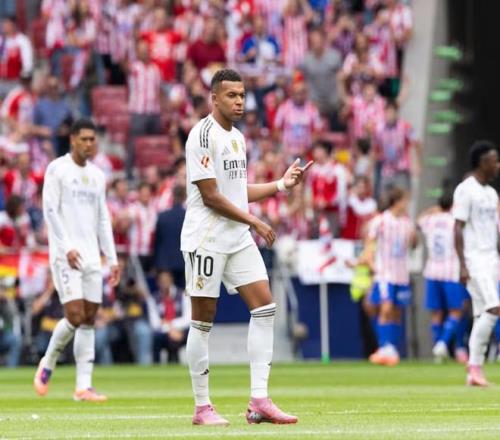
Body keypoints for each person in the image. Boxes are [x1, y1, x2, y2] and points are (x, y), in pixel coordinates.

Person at [181, 68, 312, 426]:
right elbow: (211, 196)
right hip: (206, 237)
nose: (239, 101)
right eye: (231, 95)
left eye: (241, 95)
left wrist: (281, 185)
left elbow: (237, 191)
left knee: (265, 307)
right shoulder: (202, 135)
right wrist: (254, 221)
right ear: (214, 98)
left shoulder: (237, 137)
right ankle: (202, 407)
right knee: (202, 321)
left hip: (236, 236)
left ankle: (259, 401)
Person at [33, 119, 120, 402]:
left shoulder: (97, 175)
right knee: (74, 316)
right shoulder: (57, 169)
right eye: (84, 139)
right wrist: (66, 247)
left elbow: (103, 218)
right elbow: (50, 210)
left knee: (89, 319)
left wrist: (112, 257)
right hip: (65, 255)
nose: (89, 144)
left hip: (92, 256)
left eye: (92, 139)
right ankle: (48, 361)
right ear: (72, 140)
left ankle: (83, 386)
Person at [453, 140, 500, 386]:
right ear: (483, 163)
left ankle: (474, 371)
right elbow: (457, 227)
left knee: (483, 313)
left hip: (491, 259)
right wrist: (462, 264)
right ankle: (474, 365)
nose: (497, 165)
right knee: (494, 308)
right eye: (494, 161)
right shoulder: (465, 190)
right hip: (474, 260)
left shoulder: (491, 194)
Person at [365, 186, 416, 366]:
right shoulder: (380, 221)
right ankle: (384, 346)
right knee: (385, 308)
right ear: (398, 202)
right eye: (405, 201)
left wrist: (414, 236)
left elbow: (413, 245)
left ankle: (391, 348)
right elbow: (369, 243)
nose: (407, 204)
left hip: (401, 273)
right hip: (385, 273)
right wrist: (371, 262)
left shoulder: (406, 222)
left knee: (396, 311)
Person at [418, 194, 469, 364]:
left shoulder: (430, 220)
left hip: (432, 270)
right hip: (451, 271)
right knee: (457, 310)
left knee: (436, 312)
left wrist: (432, 210)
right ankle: (442, 343)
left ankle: (438, 351)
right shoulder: (455, 220)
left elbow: (418, 221)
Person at [154, 185, 186, 288]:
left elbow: (156, 241)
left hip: (165, 263)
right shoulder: (188, 216)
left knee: (166, 294)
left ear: (172, 196)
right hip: (183, 262)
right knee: (182, 294)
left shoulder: (162, 216)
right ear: (184, 197)